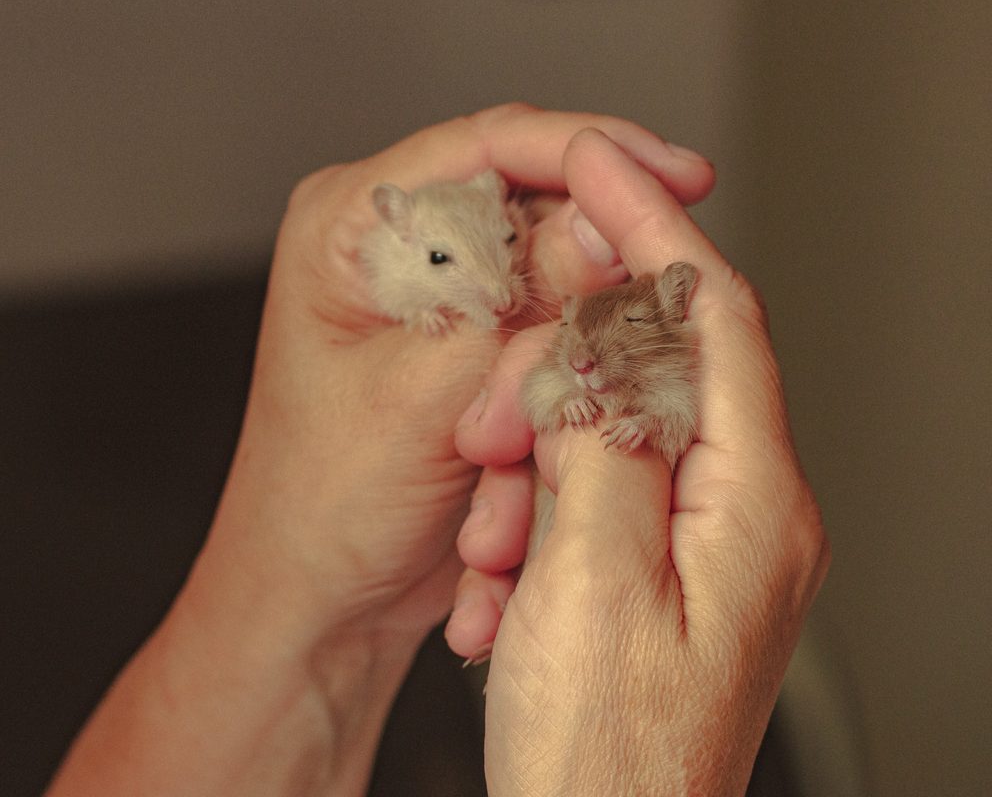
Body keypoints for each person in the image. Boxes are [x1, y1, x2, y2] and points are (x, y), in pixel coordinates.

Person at [45, 104, 829, 797]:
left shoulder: (592, 310)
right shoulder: (398, 271)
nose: (500, 290)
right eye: (446, 261)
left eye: (507, 241)